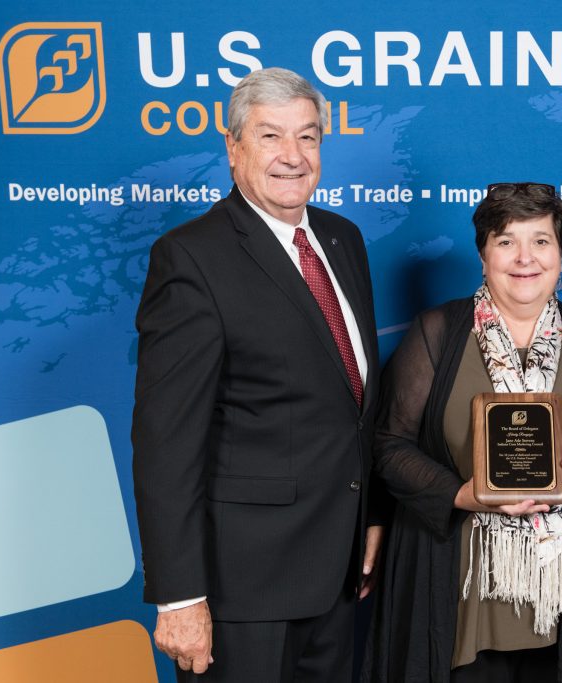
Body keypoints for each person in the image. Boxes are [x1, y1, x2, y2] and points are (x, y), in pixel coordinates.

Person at [132, 67, 383, 682]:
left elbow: (349, 404)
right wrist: (180, 596)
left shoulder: (343, 239)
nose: (293, 157)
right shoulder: (192, 257)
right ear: (234, 147)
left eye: (309, 137)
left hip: (339, 571)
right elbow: (167, 442)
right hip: (241, 591)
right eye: (271, 137)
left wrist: (370, 513)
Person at [361, 183, 562, 682]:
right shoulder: (437, 332)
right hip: (459, 584)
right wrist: (460, 495)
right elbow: (388, 445)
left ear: (561, 254)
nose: (525, 258)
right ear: (483, 254)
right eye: (505, 241)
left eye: (540, 241)